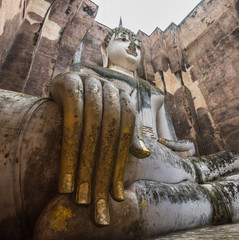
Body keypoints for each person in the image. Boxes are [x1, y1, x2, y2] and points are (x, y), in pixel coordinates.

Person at [33, 24, 239, 240]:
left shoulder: (154, 93)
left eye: (137, 45)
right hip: (119, 148)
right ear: (105, 50)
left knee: (233, 157)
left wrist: (184, 147)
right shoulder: (86, 71)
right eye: (123, 40)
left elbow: (167, 141)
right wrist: (66, 85)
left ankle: (201, 188)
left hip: (163, 158)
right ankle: (208, 195)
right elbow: (66, 96)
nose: (132, 47)